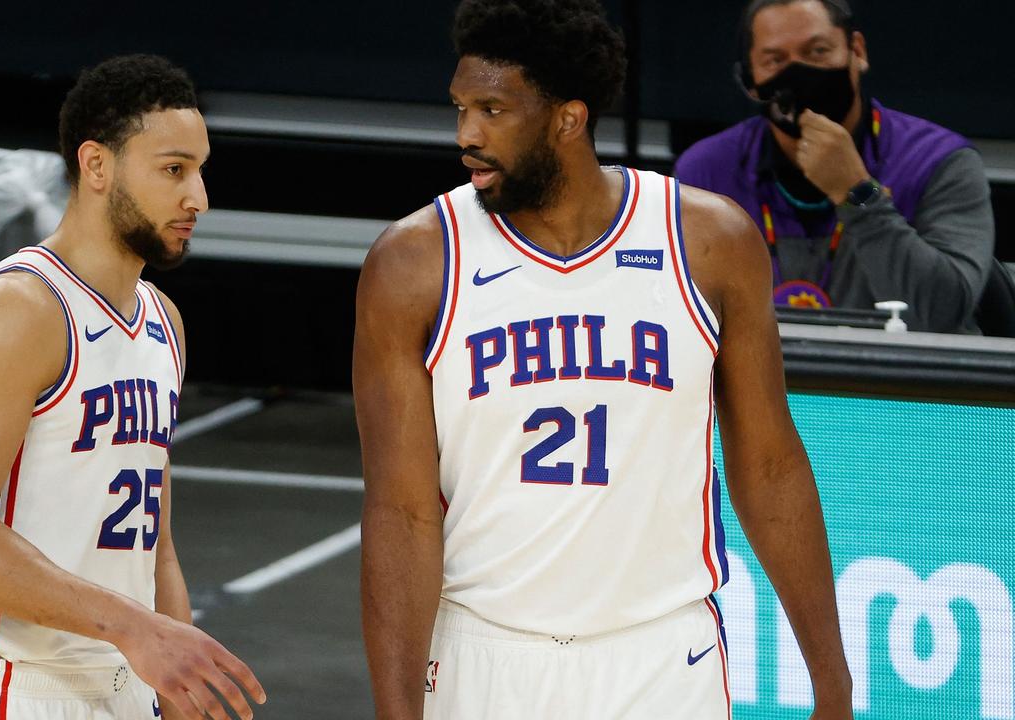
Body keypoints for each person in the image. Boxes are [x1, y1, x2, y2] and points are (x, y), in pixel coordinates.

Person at [353, 1, 854, 717]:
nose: (467, 134)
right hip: (483, 651)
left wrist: (831, 681)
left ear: (567, 119)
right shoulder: (413, 263)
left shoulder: (707, 240)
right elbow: (400, 512)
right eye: (461, 107)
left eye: (493, 109)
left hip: (663, 654)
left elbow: (769, 466)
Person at [0, 55, 265, 720]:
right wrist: (132, 626)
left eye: (200, 170)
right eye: (174, 169)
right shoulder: (18, 311)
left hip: (125, 687)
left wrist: (181, 682)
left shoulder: (163, 322)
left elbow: (156, 543)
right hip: (9, 689)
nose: (199, 197)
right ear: (97, 166)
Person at [675, 0, 994, 333]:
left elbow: (942, 315)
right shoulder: (706, 174)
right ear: (750, 81)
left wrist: (857, 193)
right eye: (775, 61)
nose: (798, 75)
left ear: (857, 51)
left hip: (897, 382)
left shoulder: (939, 162)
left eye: (817, 51)